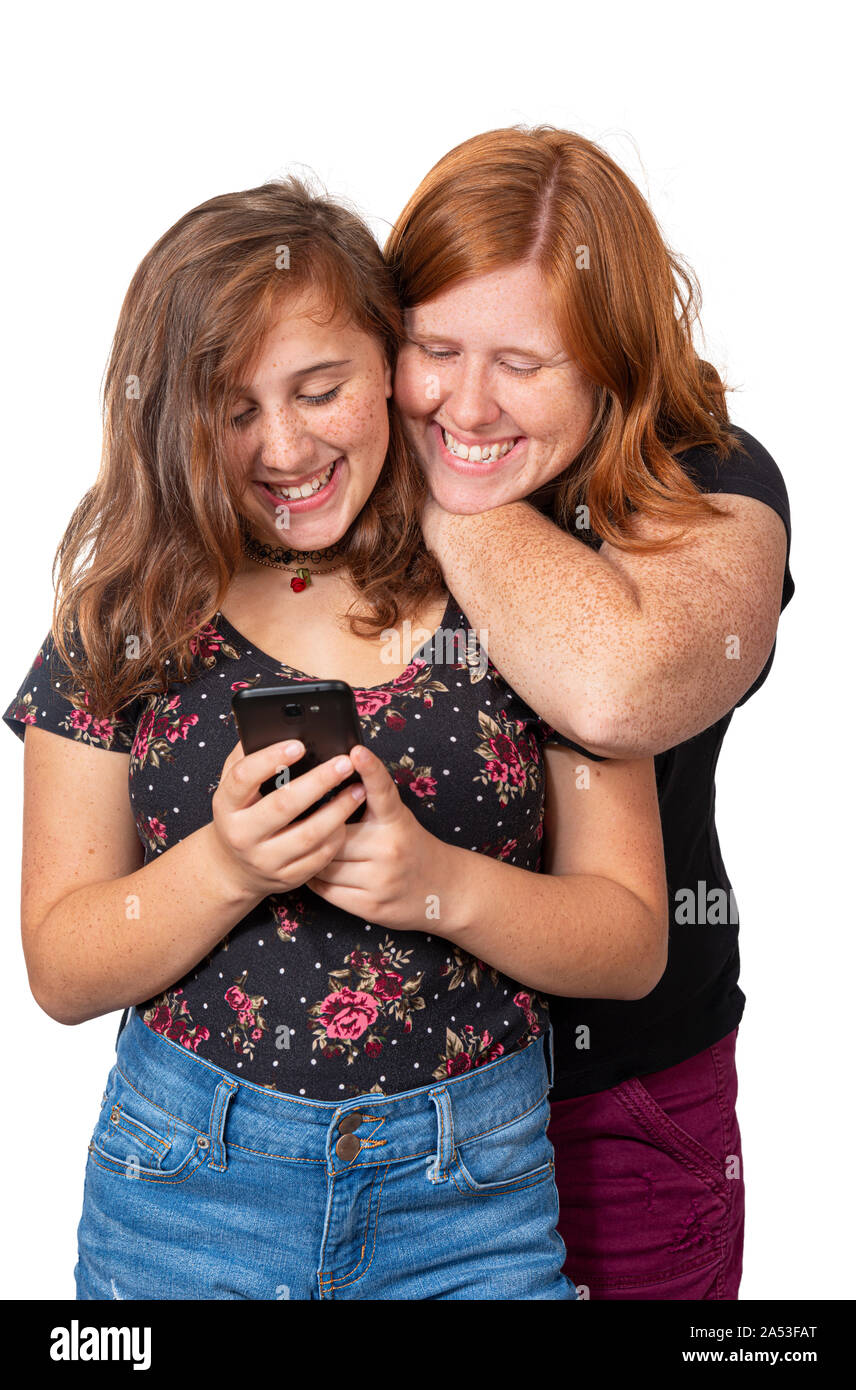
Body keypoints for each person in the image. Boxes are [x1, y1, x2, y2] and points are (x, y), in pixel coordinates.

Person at [3, 176, 668, 1300]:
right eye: (233, 406)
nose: (284, 445)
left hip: (472, 1201)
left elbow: (632, 937)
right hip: (184, 1194)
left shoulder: (528, 599)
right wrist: (225, 866)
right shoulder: (126, 615)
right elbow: (63, 968)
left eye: (321, 389)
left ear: (393, 368)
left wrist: (436, 885)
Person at [385, 125, 794, 1299]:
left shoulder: (712, 483)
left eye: (523, 363)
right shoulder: (342, 464)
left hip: (616, 1105)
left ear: (612, 361)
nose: (467, 398)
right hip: (372, 1112)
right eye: (433, 349)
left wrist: (446, 479)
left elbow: (614, 688)